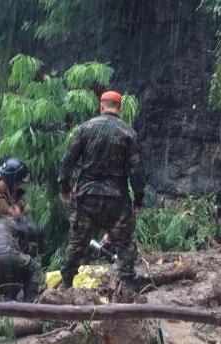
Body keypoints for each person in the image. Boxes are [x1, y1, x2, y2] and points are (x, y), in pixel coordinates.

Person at [57, 90, 145, 300]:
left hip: (87, 196)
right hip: (117, 199)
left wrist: (64, 187)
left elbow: (67, 161)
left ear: (101, 106)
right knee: (124, 244)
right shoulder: (128, 133)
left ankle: (64, 287)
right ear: (120, 108)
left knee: (77, 243)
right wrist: (139, 199)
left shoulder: (85, 129)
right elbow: (137, 170)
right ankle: (127, 290)